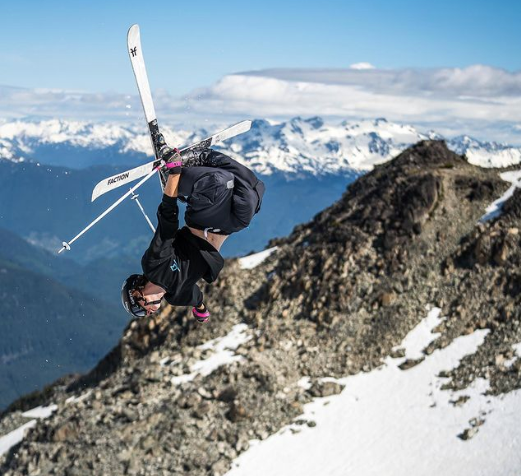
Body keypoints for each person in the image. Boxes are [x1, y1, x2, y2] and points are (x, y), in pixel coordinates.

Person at [121, 142, 265, 323]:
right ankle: (185, 177)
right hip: (228, 226)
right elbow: (196, 297)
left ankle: (198, 160)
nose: (148, 313)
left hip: (202, 221)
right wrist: (201, 310)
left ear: (136, 293)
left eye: (141, 310)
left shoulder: (152, 265)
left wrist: (174, 173)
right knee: (253, 194)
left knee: (220, 181)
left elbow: (168, 222)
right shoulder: (177, 297)